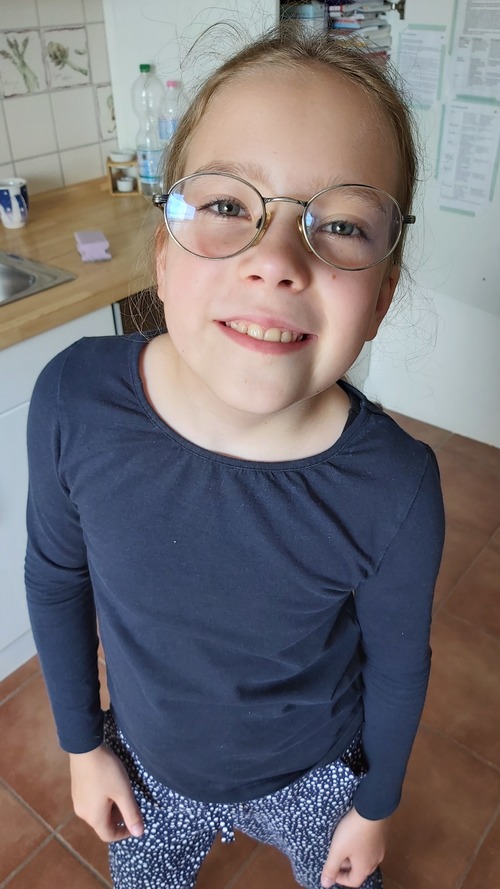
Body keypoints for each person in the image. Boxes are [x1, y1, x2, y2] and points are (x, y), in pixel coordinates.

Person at [25, 24, 445, 889]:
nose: (277, 260)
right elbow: (55, 580)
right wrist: (82, 744)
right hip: (144, 764)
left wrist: (376, 805)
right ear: (162, 257)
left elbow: (400, 666)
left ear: (381, 299)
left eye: (340, 224)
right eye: (225, 206)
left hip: (313, 771)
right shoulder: (73, 403)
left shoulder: (396, 489)